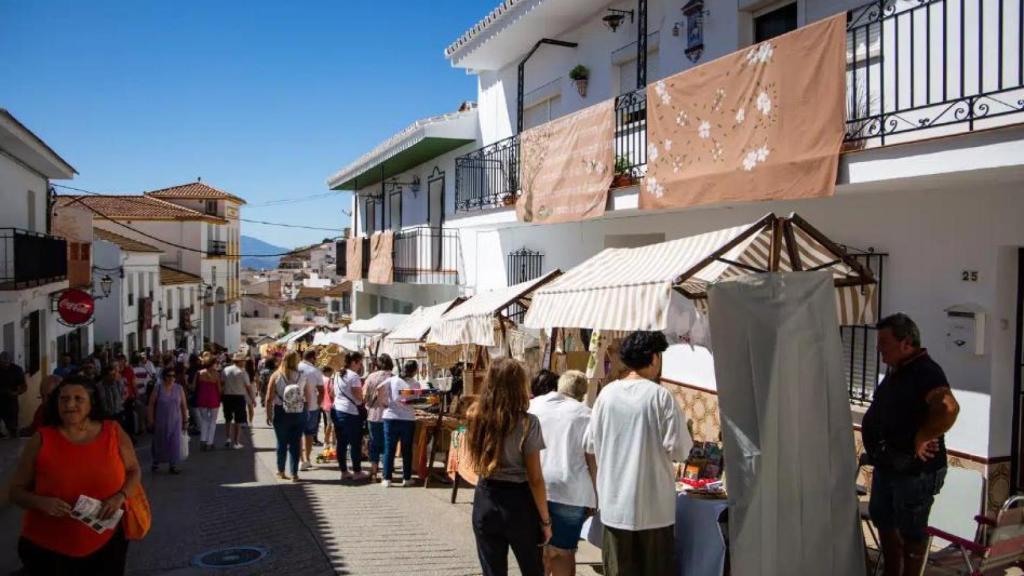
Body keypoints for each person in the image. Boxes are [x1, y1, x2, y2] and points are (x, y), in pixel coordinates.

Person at [9, 375, 141, 574]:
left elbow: (134, 471)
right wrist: (41, 502)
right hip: (49, 546)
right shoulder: (42, 439)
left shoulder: (113, 432)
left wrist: (119, 497)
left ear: (92, 403)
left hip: (107, 540)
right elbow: (16, 492)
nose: (70, 404)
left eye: (78, 399)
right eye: (64, 399)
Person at [584, 331, 691, 576]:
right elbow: (681, 450)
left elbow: (590, 445)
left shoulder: (606, 396)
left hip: (614, 507)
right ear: (653, 358)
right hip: (654, 512)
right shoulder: (661, 397)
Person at [862, 313, 960, 576]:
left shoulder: (925, 371)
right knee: (884, 520)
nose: (879, 349)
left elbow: (948, 407)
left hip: (915, 472)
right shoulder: (897, 371)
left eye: (884, 342)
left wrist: (924, 435)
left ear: (906, 343)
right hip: (889, 465)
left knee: (911, 533)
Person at [466, 358, 551, 576]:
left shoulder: (475, 416)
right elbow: (535, 478)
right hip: (519, 502)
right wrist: (545, 520)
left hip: (486, 496)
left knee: (493, 571)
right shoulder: (527, 423)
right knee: (532, 568)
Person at [529, 370, 596, 576]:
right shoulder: (586, 414)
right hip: (570, 491)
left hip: (533, 487)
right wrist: (596, 497)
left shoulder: (534, 406)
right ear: (582, 394)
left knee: (537, 551)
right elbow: (592, 460)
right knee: (562, 552)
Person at [266, 351, 314, 482]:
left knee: (281, 443)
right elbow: (308, 395)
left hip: (281, 411)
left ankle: (281, 471)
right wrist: (307, 410)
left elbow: (269, 398)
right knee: (295, 443)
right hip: (299, 412)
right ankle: (294, 474)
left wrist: (269, 414)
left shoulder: (276, 375)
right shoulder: (302, 375)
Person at [381, 359, 422, 488]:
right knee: (406, 449)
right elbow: (415, 400)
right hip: (407, 419)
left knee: (389, 449)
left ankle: (387, 478)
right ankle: (407, 478)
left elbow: (379, 388)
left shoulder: (392, 379)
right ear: (415, 371)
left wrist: (384, 403)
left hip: (390, 417)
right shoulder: (415, 384)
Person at [332, 352, 367, 481]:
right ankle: (357, 471)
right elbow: (358, 396)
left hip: (337, 410)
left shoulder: (337, 374)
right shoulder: (353, 376)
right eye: (359, 362)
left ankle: (344, 471)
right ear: (354, 362)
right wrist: (364, 398)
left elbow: (332, 392)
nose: (360, 365)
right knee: (355, 443)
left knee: (341, 442)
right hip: (350, 413)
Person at [148, 364, 188, 474]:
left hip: (176, 421)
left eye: (174, 376)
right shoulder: (158, 388)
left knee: (174, 442)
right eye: (169, 376)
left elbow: (183, 406)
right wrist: (150, 419)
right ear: (164, 376)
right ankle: (156, 462)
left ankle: (173, 465)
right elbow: (151, 404)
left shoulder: (179, 388)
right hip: (161, 420)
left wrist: (185, 420)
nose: (172, 378)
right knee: (159, 442)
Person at [362, 354, 394, 482]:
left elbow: (364, 396)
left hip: (374, 415)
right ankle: (387, 473)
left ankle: (374, 472)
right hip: (390, 415)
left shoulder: (371, 377)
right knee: (388, 444)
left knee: (374, 444)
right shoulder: (393, 378)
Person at [297, 350, 324, 471]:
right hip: (312, 406)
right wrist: (318, 403)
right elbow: (321, 390)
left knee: (298, 434)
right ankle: (307, 459)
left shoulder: (296, 367)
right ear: (312, 358)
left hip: (296, 405)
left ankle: (300, 460)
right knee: (309, 434)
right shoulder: (315, 371)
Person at [221, 352, 254, 449]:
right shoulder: (242, 372)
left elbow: (222, 383)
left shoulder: (226, 370)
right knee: (238, 420)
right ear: (239, 361)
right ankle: (236, 442)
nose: (244, 362)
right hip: (239, 396)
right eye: (243, 361)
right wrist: (252, 398)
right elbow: (248, 387)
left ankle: (227, 438)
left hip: (227, 396)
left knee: (227, 418)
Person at [194, 352, 222, 451]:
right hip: (213, 398)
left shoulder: (199, 373)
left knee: (205, 420)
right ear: (213, 363)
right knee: (213, 421)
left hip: (202, 398)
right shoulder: (216, 374)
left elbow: (194, 387)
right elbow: (219, 389)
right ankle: (210, 442)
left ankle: (203, 441)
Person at [0, 352, 28, 439]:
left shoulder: (17, 370)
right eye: (2, 363)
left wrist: (16, 393)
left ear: (10, 361)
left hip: (11, 400)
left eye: (6, 363)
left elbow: (24, 386)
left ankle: (13, 439)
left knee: (12, 425)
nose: (4, 365)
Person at [320, 367, 336, 451]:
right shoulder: (329, 380)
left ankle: (326, 442)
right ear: (327, 371)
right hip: (331, 404)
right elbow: (332, 392)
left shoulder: (321, 379)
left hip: (324, 404)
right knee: (333, 425)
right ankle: (333, 443)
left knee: (329, 424)